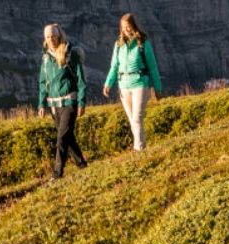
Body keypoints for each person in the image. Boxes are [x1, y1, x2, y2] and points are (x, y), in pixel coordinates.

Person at [103, 12, 163, 151]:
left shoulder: (143, 43)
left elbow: (153, 67)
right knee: (132, 120)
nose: (126, 30)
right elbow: (114, 66)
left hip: (140, 84)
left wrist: (157, 88)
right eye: (123, 27)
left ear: (134, 26)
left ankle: (138, 150)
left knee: (137, 118)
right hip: (124, 85)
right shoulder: (118, 45)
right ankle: (141, 147)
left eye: (128, 26)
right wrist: (108, 83)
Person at [35, 23, 89, 179]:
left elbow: (81, 80)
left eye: (53, 36)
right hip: (54, 105)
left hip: (69, 103)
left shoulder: (70, 54)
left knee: (62, 138)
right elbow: (43, 82)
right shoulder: (46, 58)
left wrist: (81, 102)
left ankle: (57, 173)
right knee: (68, 137)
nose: (51, 39)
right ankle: (81, 164)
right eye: (48, 37)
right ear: (44, 39)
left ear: (59, 36)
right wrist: (41, 104)